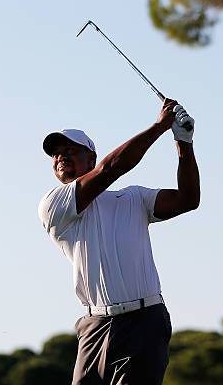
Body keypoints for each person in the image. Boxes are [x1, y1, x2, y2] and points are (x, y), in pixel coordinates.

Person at [37, 99, 200, 384]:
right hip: (94, 326)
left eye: (71, 150)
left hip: (145, 321)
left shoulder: (133, 198)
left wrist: (183, 141)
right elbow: (110, 168)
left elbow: (188, 199)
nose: (61, 156)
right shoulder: (54, 205)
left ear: (90, 158)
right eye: (56, 154)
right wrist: (159, 127)